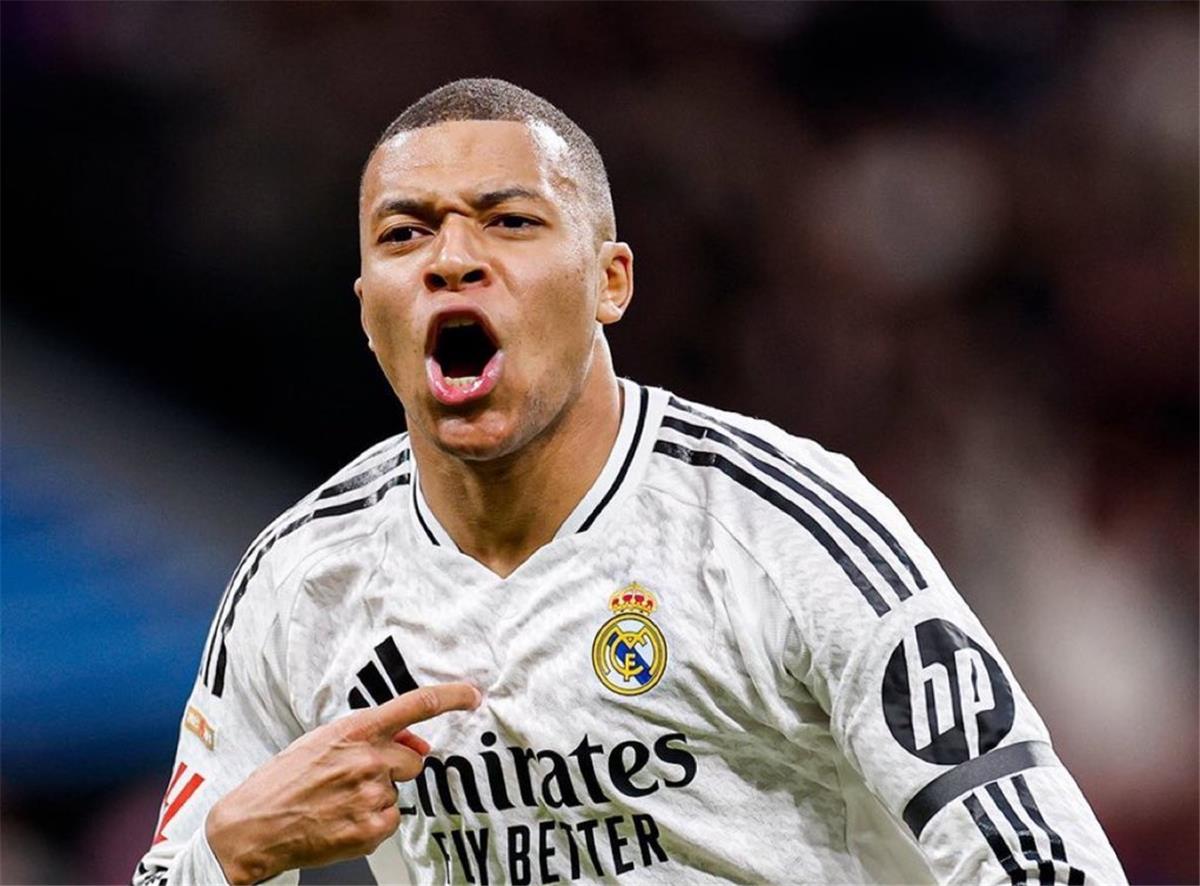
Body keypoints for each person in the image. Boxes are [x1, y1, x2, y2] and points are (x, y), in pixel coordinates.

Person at [134, 78, 1126, 886]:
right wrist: (230, 851)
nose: (452, 260)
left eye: (508, 221)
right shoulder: (304, 580)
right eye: (405, 234)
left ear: (610, 281)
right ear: (366, 309)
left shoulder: (780, 528)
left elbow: (1046, 861)